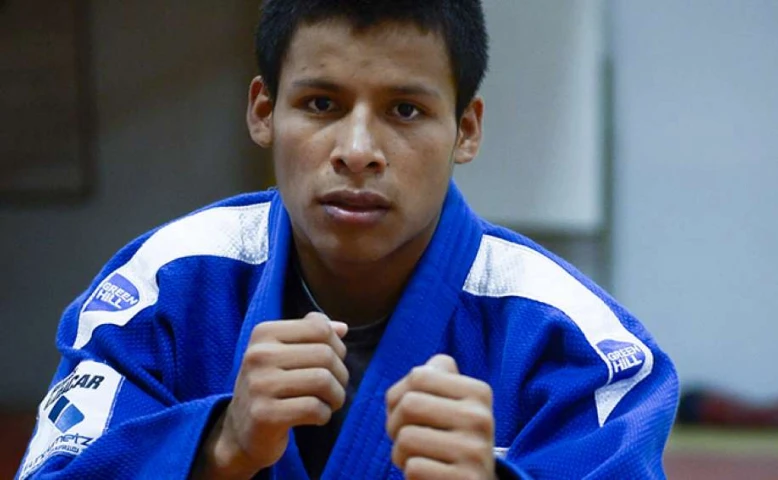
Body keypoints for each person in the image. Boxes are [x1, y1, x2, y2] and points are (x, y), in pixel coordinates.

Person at [16, 1, 679, 478]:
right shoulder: (158, 294)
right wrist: (220, 448)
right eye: (322, 104)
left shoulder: (577, 346)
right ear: (264, 111)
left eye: (405, 110)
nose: (358, 151)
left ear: (467, 130)